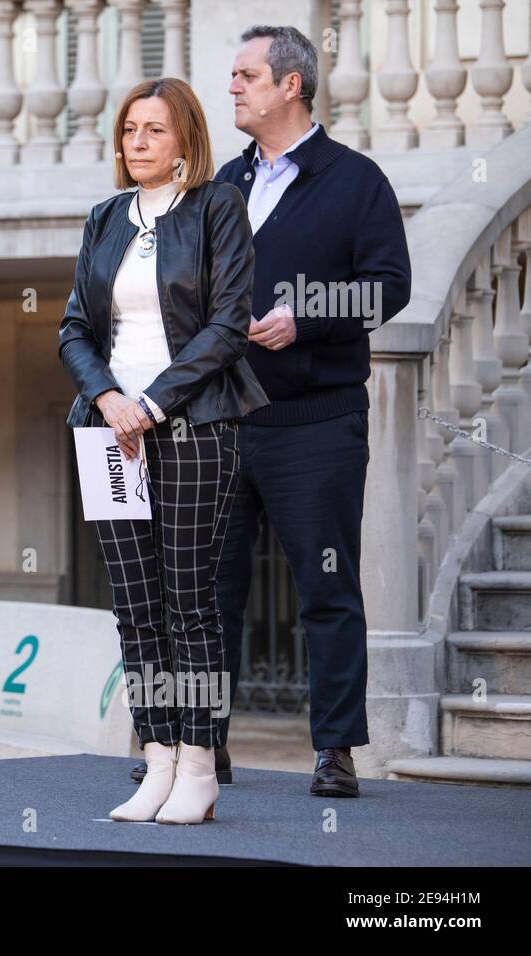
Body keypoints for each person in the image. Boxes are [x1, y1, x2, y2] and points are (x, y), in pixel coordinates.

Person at [59, 77, 269, 824]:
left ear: (184, 139)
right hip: (109, 430)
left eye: (154, 130)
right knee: (134, 607)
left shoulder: (216, 208)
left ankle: (201, 765)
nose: (138, 143)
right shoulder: (104, 218)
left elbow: (227, 324)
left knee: (189, 604)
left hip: (192, 424)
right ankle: (156, 758)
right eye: (129, 131)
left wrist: (151, 402)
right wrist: (110, 399)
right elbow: (75, 328)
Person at [212, 25, 410, 797]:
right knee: (206, 595)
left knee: (327, 590)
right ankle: (203, 745)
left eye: (247, 75)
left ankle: (334, 751)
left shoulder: (355, 180)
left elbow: (388, 285)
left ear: (291, 85)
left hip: (316, 424)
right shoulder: (224, 183)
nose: (233, 86)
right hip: (225, 423)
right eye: (233, 75)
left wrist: (305, 314)